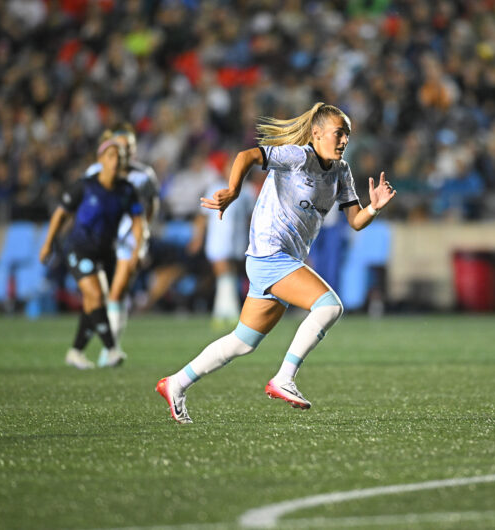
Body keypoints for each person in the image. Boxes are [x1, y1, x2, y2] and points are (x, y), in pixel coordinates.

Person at [155, 102, 397, 423]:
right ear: (316, 134)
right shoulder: (297, 156)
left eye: (347, 136)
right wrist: (233, 190)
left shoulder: (341, 172)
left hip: (281, 260)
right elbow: (247, 156)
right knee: (329, 307)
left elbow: (354, 220)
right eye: (338, 133)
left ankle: (176, 383)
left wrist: (374, 207)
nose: (343, 141)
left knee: (242, 342)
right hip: (270, 255)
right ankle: (284, 378)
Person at [40, 138, 144, 369]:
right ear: (100, 160)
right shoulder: (85, 186)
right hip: (78, 248)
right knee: (96, 295)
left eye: (120, 158)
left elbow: (138, 221)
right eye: (111, 156)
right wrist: (47, 244)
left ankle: (75, 352)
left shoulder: (126, 190)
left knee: (92, 301)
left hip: (105, 252)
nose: (115, 162)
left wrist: (137, 250)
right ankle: (111, 348)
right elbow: (60, 214)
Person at [84, 124, 160, 366]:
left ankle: (110, 348)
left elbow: (152, 204)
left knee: (116, 292)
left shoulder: (143, 175)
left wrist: (144, 234)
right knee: (104, 294)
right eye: (122, 146)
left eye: (130, 147)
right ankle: (110, 344)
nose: (127, 152)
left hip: (129, 238)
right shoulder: (94, 172)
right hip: (101, 238)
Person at [189, 170, 257, 329]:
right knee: (222, 271)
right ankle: (229, 312)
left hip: (238, 238)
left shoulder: (247, 191)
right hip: (217, 237)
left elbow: (251, 217)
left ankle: (221, 312)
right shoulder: (215, 188)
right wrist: (197, 238)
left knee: (230, 274)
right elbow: (203, 215)